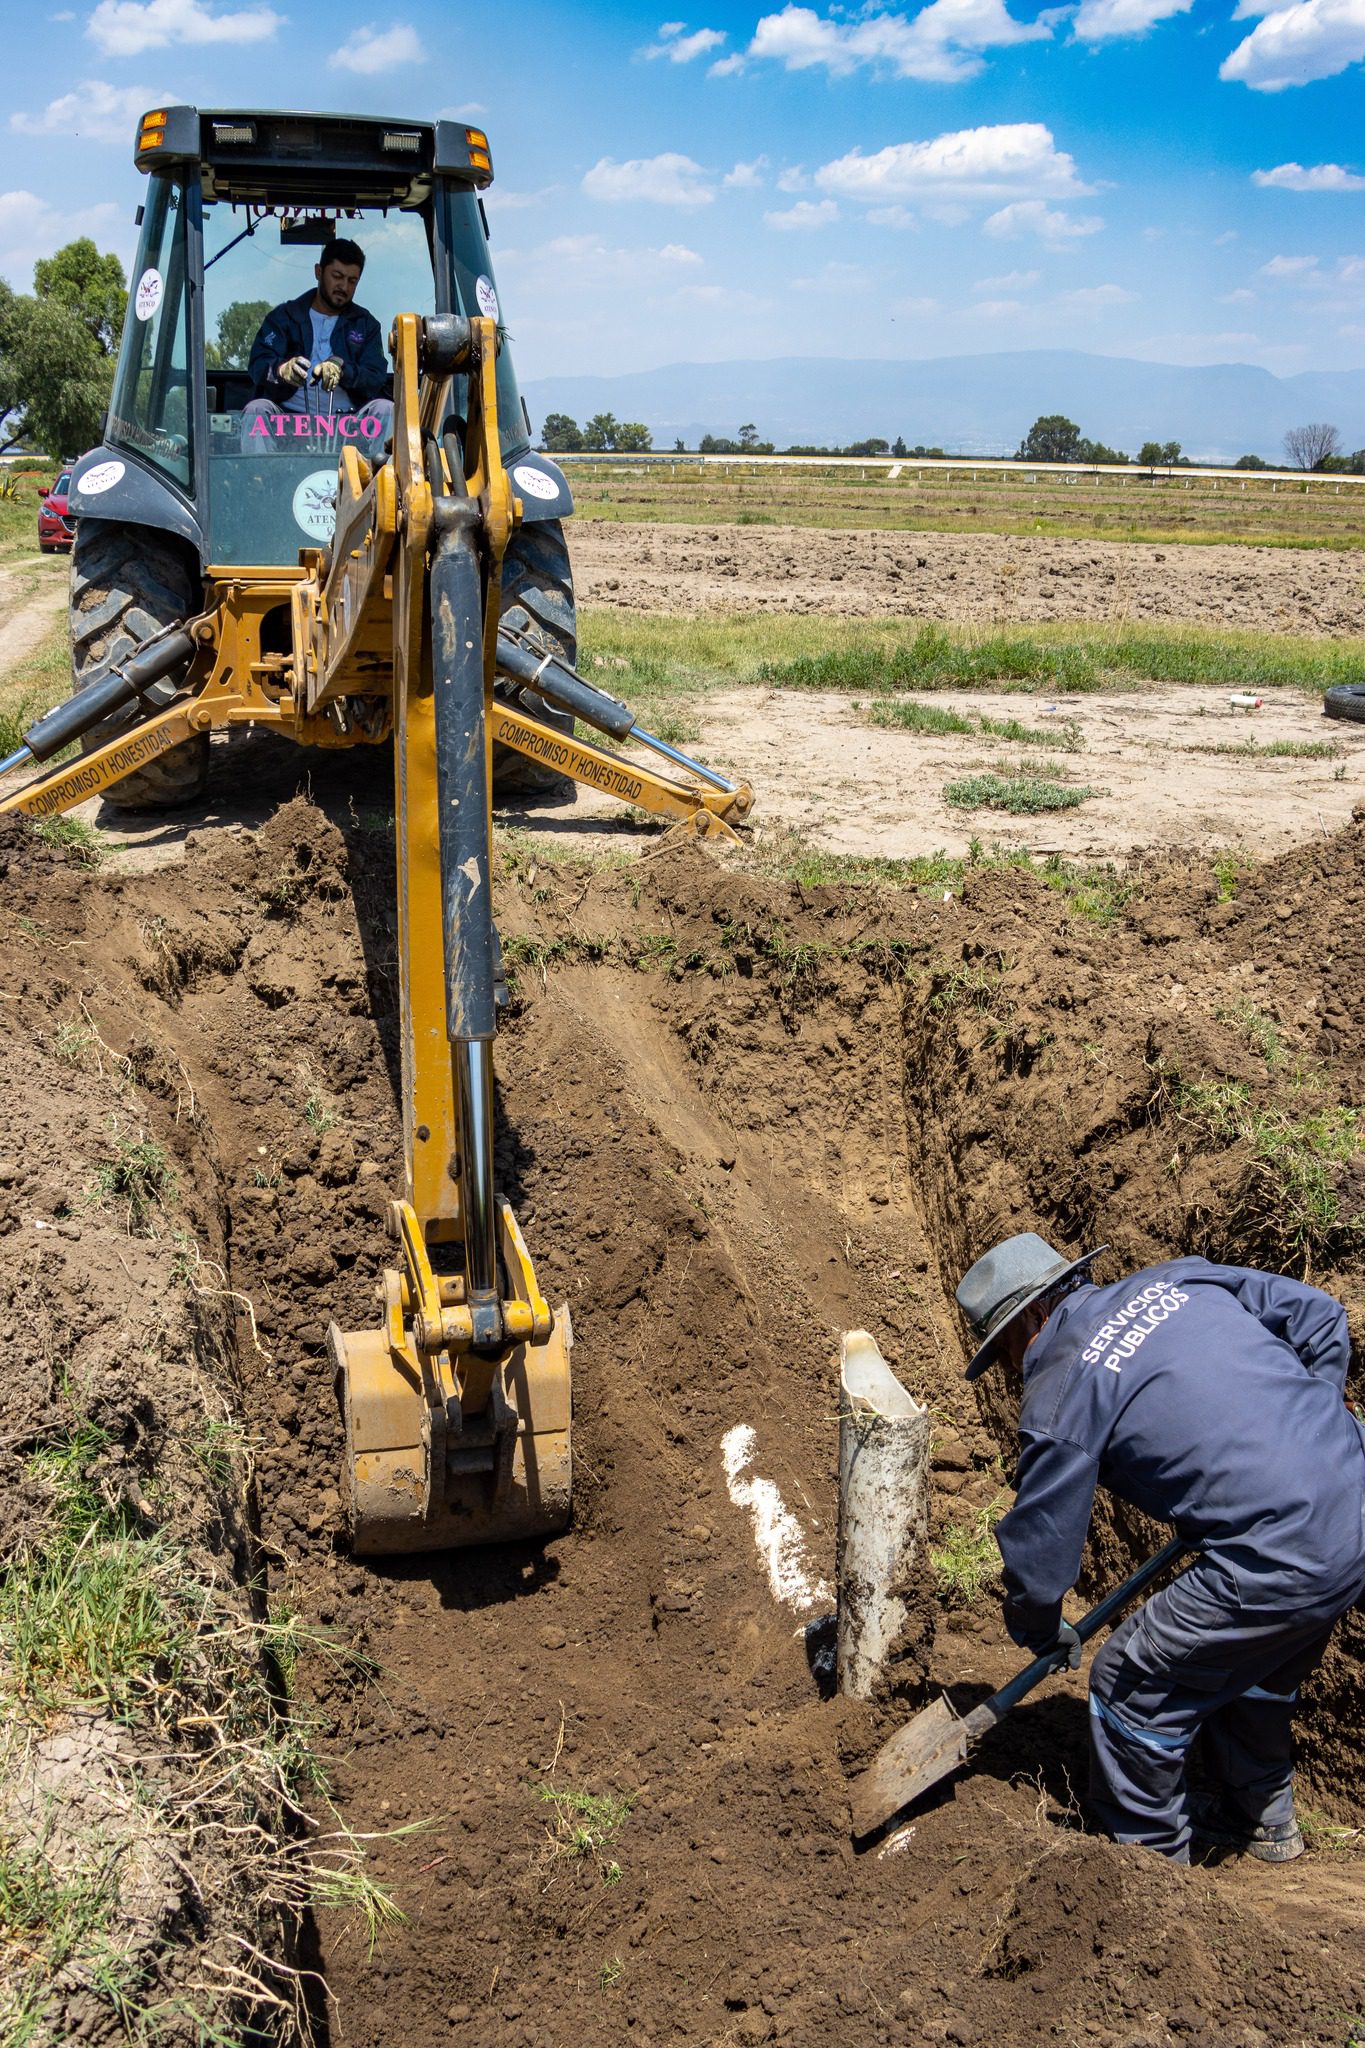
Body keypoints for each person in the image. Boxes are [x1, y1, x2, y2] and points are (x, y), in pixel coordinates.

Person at [955, 1233, 1365, 1865]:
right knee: (1251, 1666)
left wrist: (1038, 1625)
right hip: (1355, 1491)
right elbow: (1318, 1315)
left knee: (1127, 1685)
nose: (1012, 1370)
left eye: (1006, 1349)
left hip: (1281, 1548)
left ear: (1033, 1316)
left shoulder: (1060, 1391)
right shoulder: (1174, 1280)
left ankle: (1156, 1888)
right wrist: (1318, 1415)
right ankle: (1263, 1821)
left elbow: (1041, 1546)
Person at [241, 238, 392, 450]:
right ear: (319, 272)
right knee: (256, 410)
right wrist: (282, 370)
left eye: (352, 281)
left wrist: (342, 370)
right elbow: (258, 365)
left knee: (387, 410)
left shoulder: (366, 325)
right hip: (289, 422)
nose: (344, 286)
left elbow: (375, 376)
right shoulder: (284, 317)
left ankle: (385, 481)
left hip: (350, 425)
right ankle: (257, 482)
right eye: (337, 276)